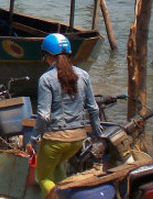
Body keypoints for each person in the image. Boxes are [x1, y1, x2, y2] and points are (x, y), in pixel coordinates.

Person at [25, 33, 102, 195]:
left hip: (55, 140)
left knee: (43, 177)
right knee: (57, 166)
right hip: (77, 140)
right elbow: (93, 108)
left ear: (47, 55)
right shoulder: (83, 75)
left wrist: (33, 139)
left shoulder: (46, 79)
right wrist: (97, 135)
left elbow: (44, 115)